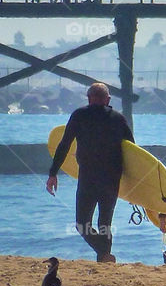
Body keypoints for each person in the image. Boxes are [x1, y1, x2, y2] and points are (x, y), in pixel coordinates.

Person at [46, 82, 133, 263]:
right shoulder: (119, 119)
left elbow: (64, 145)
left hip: (88, 177)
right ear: (108, 100)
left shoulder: (79, 115)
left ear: (88, 98)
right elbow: (132, 151)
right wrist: (134, 184)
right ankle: (104, 255)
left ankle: (103, 256)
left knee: (81, 224)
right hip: (112, 178)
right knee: (105, 223)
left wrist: (53, 173)